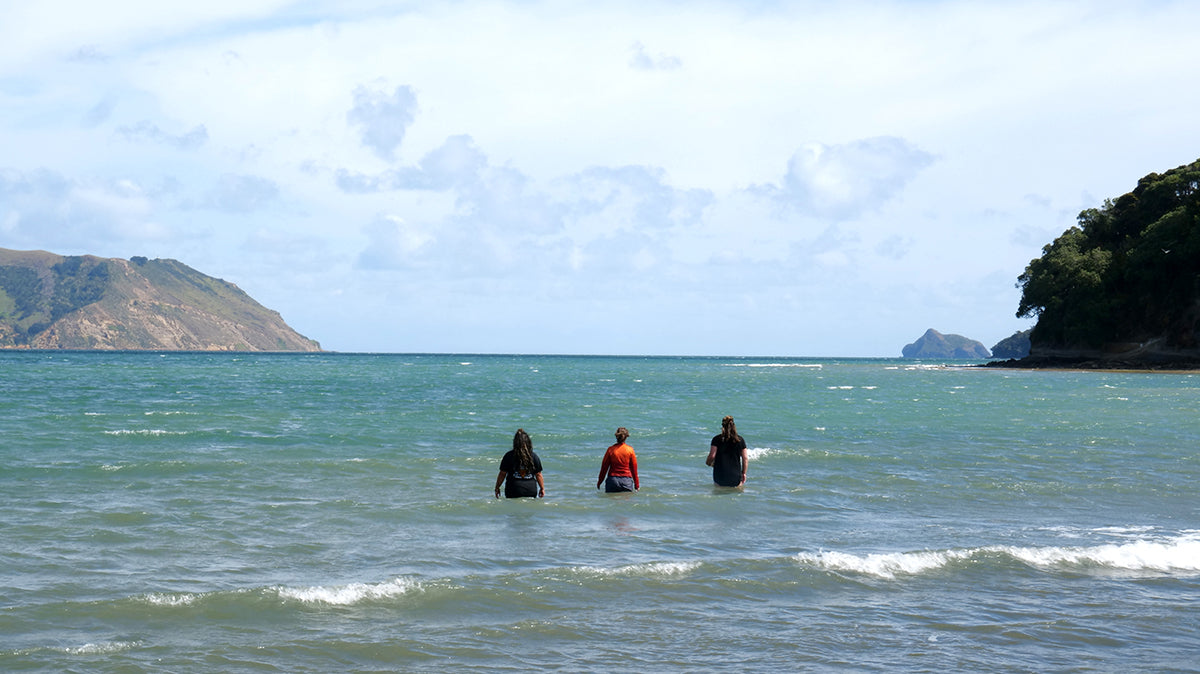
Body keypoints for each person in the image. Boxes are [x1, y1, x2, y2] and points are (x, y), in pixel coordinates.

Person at [495, 428, 545, 498]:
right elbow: (538, 474)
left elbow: (502, 474)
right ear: (528, 442)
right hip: (530, 491)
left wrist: (497, 487)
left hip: (513, 491)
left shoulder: (509, 456)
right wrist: (542, 488)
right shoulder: (533, 456)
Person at [706, 415, 747, 488]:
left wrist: (709, 463)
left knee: (719, 495)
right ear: (733, 426)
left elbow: (712, 456)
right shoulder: (740, 440)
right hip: (736, 477)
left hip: (720, 476)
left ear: (722, 426)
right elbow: (745, 458)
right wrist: (743, 473)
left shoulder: (716, 439)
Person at [597, 427, 639, 493]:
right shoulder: (630, 450)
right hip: (626, 481)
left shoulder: (610, 450)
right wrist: (637, 485)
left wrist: (599, 481)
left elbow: (604, 468)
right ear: (626, 437)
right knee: (626, 502)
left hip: (612, 480)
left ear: (616, 436)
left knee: (611, 502)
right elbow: (634, 469)